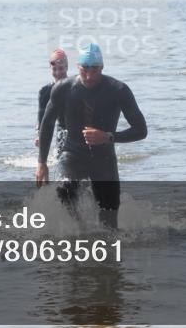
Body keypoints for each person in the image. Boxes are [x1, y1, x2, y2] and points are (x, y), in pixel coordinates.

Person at [35, 42, 147, 229]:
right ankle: (80, 231)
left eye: (94, 69)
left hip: (103, 158)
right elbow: (47, 124)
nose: (88, 75)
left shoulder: (118, 90)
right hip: (72, 154)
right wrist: (41, 163)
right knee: (64, 189)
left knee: (110, 223)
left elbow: (141, 130)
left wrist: (108, 137)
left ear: (102, 67)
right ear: (77, 67)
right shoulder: (63, 88)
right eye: (84, 68)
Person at [35, 48, 68, 148]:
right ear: (50, 68)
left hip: (78, 129)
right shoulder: (45, 91)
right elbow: (42, 116)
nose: (58, 72)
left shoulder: (76, 86)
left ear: (67, 67)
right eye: (54, 69)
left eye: (61, 68)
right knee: (60, 159)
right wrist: (39, 135)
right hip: (62, 131)